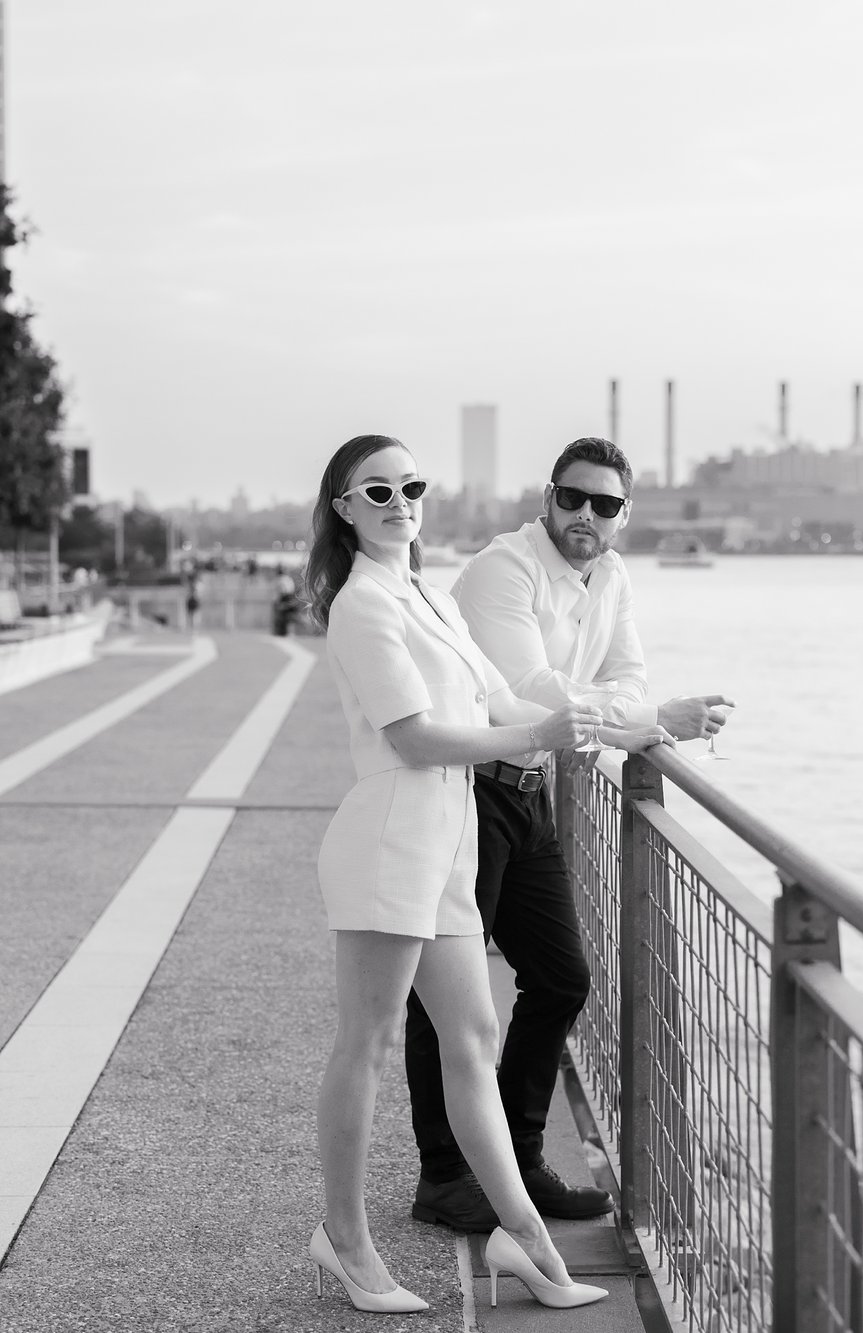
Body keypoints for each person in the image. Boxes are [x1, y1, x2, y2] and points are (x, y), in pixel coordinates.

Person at [302, 434, 670, 1315]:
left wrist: (612, 722)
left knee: (472, 1041)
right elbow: (416, 737)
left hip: (449, 836)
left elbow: (502, 699)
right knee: (368, 1043)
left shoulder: (426, 591)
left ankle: (527, 1237)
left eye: (410, 485)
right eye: (376, 489)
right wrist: (535, 739)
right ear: (345, 507)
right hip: (394, 832)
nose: (399, 501)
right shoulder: (362, 604)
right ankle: (345, 1239)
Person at [405, 436, 734, 1232]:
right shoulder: (502, 570)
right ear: (548, 497)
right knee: (447, 996)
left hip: (533, 791)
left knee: (561, 977)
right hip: (469, 788)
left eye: (606, 504)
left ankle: (518, 1162)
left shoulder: (611, 575)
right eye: (573, 498)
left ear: (625, 516)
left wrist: (625, 710)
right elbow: (534, 694)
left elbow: (624, 681)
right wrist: (654, 723)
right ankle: (446, 1177)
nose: (586, 515)